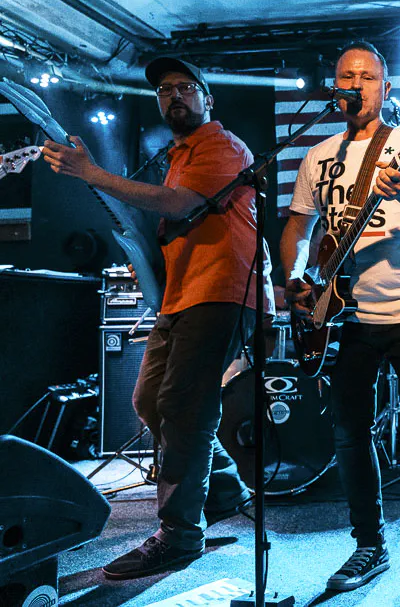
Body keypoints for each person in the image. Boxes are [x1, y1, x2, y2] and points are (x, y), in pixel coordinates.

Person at [42, 57, 272, 579]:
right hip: (180, 296)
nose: (174, 95)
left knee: (184, 408)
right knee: (149, 401)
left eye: (186, 87)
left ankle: (180, 535)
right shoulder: (177, 153)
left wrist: (93, 173)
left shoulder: (220, 145)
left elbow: (180, 204)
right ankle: (225, 491)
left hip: (220, 291)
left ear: (208, 98)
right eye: (165, 90)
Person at [279, 40, 400, 603]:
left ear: (385, 87)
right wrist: (295, 278)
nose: (354, 84)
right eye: (345, 76)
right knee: (349, 432)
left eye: (365, 76)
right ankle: (369, 544)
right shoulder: (318, 155)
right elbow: (298, 227)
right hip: (345, 315)